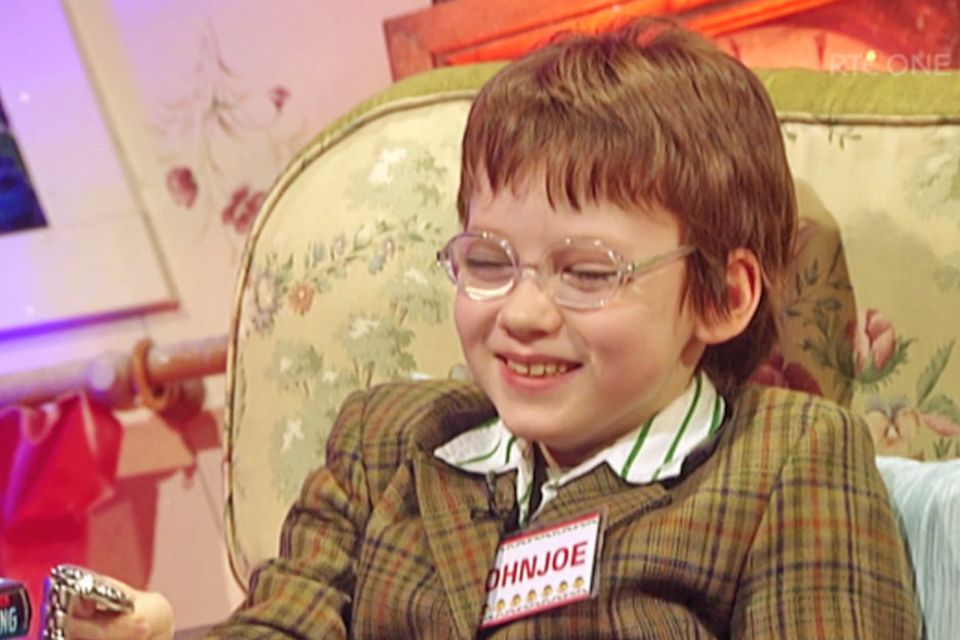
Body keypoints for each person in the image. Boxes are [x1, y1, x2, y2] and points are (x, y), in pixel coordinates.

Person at [66, 17, 920, 639]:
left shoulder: (787, 457)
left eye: (588, 272)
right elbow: (283, 627)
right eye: (487, 261)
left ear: (723, 297)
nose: (521, 313)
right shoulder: (386, 442)